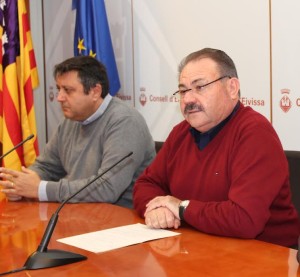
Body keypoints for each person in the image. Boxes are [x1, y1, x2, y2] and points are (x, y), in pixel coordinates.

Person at [133, 48, 300, 247]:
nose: (188, 99)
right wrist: (157, 209)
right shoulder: (181, 132)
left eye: (200, 87)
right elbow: (146, 184)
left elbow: (245, 219)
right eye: (183, 90)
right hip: (196, 248)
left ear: (232, 88)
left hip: (262, 258)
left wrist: (181, 208)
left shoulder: (255, 132)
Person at [0, 56, 155, 208]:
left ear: (95, 92)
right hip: (79, 214)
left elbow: (107, 188)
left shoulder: (125, 121)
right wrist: (22, 184)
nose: (60, 97)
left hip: (121, 221)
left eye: (68, 90)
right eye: (59, 89)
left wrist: (41, 189)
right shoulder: (71, 120)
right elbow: (47, 166)